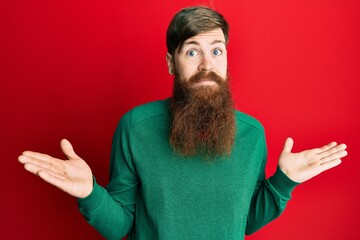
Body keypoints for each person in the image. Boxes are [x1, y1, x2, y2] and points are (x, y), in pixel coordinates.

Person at [18, 6, 348, 240]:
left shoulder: (251, 134)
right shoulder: (135, 127)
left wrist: (283, 182)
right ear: (170, 63)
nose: (208, 64)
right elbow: (119, 226)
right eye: (193, 52)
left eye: (217, 51)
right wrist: (90, 193)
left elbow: (243, 222)